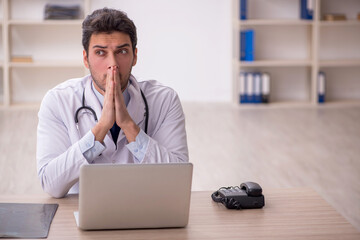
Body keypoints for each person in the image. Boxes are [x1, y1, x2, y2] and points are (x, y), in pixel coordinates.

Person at [36, 8, 189, 198]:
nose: (113, 64)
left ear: (135, 56)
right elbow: (51, 185)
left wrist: (128, 125)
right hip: (80, 215)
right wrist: (100, 129)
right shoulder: (58, 101)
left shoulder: (164, 100)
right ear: (86, 58)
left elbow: (178, 179)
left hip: (146, 209)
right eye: (100, 52)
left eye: (122, 51)